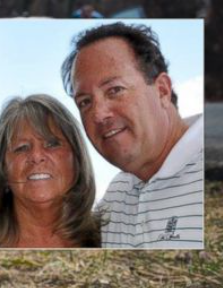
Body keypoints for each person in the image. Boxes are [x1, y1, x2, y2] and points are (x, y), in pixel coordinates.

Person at [62, 22, 204, 249]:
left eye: (115, 90)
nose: (99, 114)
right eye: (85, 102)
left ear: (162, 90)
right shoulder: (117, 194)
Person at [0, 94, 101, 248]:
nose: (36, 156)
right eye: (22, 148)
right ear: (2, 169)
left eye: (52, 144)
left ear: (77, 159)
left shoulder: (110, 237)